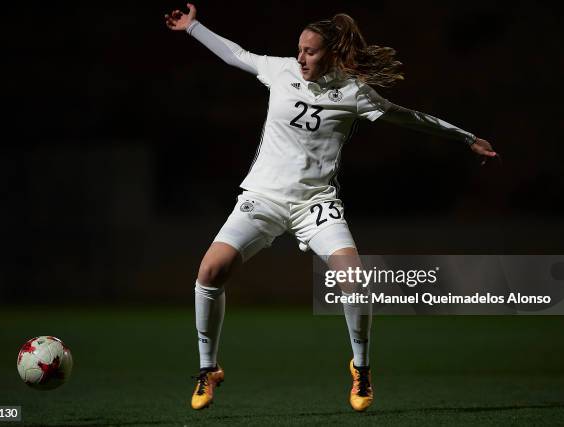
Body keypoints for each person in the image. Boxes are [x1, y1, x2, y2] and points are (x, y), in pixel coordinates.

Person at [164, 3, 498, 412]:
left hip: (315, 204)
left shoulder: (353, 92)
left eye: (310, 51)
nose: (301, 57)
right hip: (264, 198)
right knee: (210, 270)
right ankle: (207, 369)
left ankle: (361, 370)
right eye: (299, 49)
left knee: (353, 278)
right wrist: (193, 27)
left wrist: (466, 138)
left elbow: (408, 118)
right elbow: (236, 54)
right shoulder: (281, 70)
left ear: (332, 53)